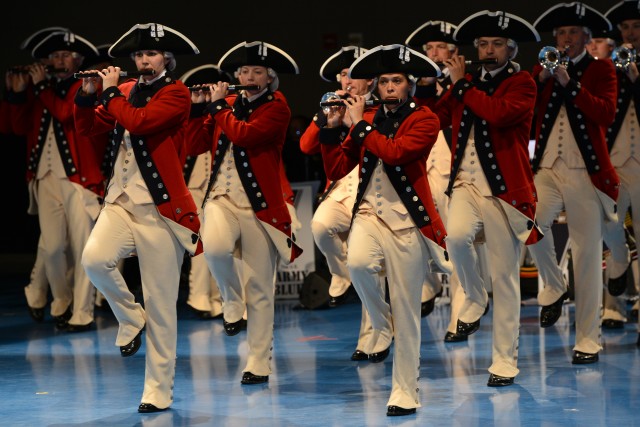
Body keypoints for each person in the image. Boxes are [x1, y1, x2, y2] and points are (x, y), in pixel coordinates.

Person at [74, 22, 203, 413]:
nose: (143, 60)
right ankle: (130, 317)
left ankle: (158, 389)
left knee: (162, 303)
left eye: (150, 54)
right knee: (94, 260)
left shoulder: (177, 93)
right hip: (120, 200)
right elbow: (88, 128)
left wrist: (111, 93)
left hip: (162, 209)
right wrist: (87, 95)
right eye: (138, 55)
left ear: (166, 59)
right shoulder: (126, 92)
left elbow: (141, 123)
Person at [321, 43, 451, 416]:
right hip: (367, 212)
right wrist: (332, 132)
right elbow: (340, 166)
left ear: (409, 85)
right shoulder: (370, 117)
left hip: (407, 221)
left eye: (397, 80)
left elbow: (396, 153)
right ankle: (381, 320)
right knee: (359, 266)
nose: (390, 87)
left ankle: (405, 390)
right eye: (384, 81)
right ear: (376, 86)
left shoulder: (425, 118)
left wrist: (360, 125)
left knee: (408, 309)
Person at [431, 10, 542, 386]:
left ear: (510, 48)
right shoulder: (466, 81)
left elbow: (499, 114)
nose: (488, 50)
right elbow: (437, 116)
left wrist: (461, 85)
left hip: (506, 192)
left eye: (496, 44)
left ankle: (504, 361)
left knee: (506, 277)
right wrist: (436, 85)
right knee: (456, 238)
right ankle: (475, 297)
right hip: (465, 182)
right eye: (482, 44)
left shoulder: (523, 82)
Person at [187, 40, 303, 385]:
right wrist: (197, 109)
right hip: (221, 197)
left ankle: (258, 360)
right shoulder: (227, 104)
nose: (248, 76)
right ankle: (231, 301)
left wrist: (219, 106)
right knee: (215, 247)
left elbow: (246, 136)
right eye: (243, 71)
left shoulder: (277, 107)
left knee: (261, 287)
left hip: (261, 207)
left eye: (255, 71)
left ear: (269, 79)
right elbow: (194, 146)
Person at [530, 3, 623, 364]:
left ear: (586, 38)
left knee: (586, 255)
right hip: (548, 167)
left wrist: (571, 84)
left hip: (587, 171)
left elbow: (605, 113)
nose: (566, 40)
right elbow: (527, 111)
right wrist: (541, 81)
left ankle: (587, 339)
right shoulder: (542, 71)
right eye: (561, 34)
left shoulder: (601, 69)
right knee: (530, 224)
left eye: (573, 34)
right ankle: (554, 284)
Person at [300, 46, 393, 362]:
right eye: (343, 75)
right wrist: (326, 116)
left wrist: (355, 117)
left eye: (354, 75)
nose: (347, 80)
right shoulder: (334, 104)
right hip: (340, 187)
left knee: (371, 268)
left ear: (370, 80)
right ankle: (339, 273)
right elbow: (306, 145)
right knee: (320, 225)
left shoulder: (379, 107)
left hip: (372, 189)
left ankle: (372, 337)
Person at [8, 30, 106, 332]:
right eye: (54, 56)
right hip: (44, 176)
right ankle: (61, 302)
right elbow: (17, 125)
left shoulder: (85, 84)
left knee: (82, 249)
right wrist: (16, 93)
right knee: (51, 249)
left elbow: (65, 113)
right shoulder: (43, 89)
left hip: (79, 179)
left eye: (64, 55)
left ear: (76, 59)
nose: (57, 60)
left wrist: (38, 89)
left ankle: (82, 312)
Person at [406, 19, 493, 341]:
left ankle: (460, 316)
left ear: (454, 51)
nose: (433, 52)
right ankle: (427, 290)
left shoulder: (467, 79)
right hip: (418, 170)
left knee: (455, 243)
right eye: (428, 48)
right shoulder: (416, 83)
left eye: (440, 47)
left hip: (452, 171)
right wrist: (426, 86)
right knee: (416, 236)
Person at [181, 64, 229, 320]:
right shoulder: (193, 114)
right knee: (199, 243)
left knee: (218, 243)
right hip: (193, 186)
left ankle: (220, 298)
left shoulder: (226, 111)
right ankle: (200, 297)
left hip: (221, 186)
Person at [604, 0, 640, 346]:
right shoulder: (609, 65)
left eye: (636, 27)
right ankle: (612, 302)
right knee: (608, 225)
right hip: (614, 160)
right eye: (626, 27)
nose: (630, 33)